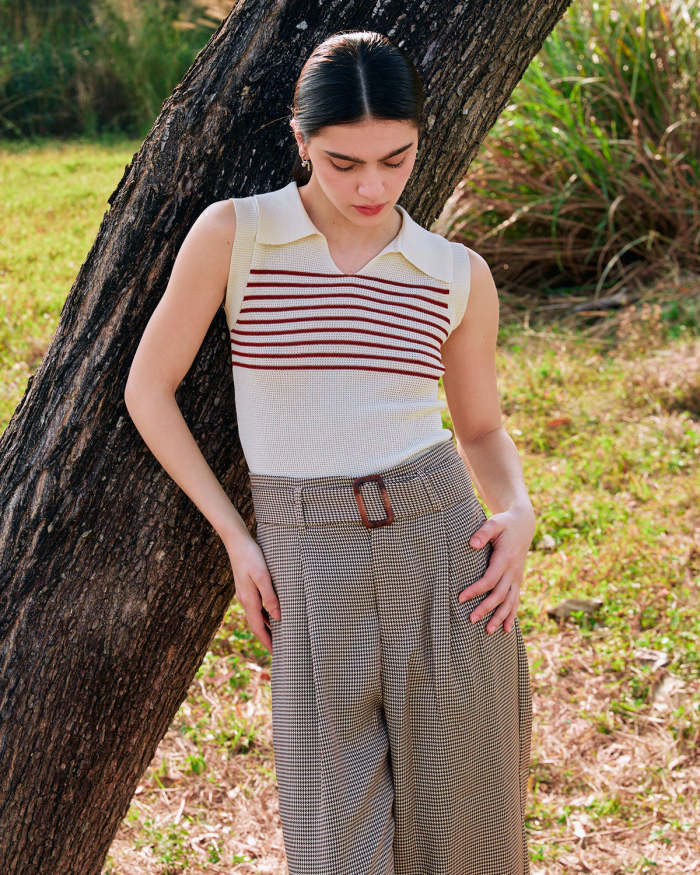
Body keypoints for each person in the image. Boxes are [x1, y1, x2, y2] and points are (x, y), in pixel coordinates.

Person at [125, 29, 535, 875]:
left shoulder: (454, 273)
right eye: (344, 162)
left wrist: (519, 510)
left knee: (465, 839)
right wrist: (239, 539)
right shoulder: (237, 236)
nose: (372, 185)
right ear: (301, 139)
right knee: (334, 847)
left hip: (443, 551)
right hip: (306, 560)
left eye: (397, 157)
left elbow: (482, 428)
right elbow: (147, 390)